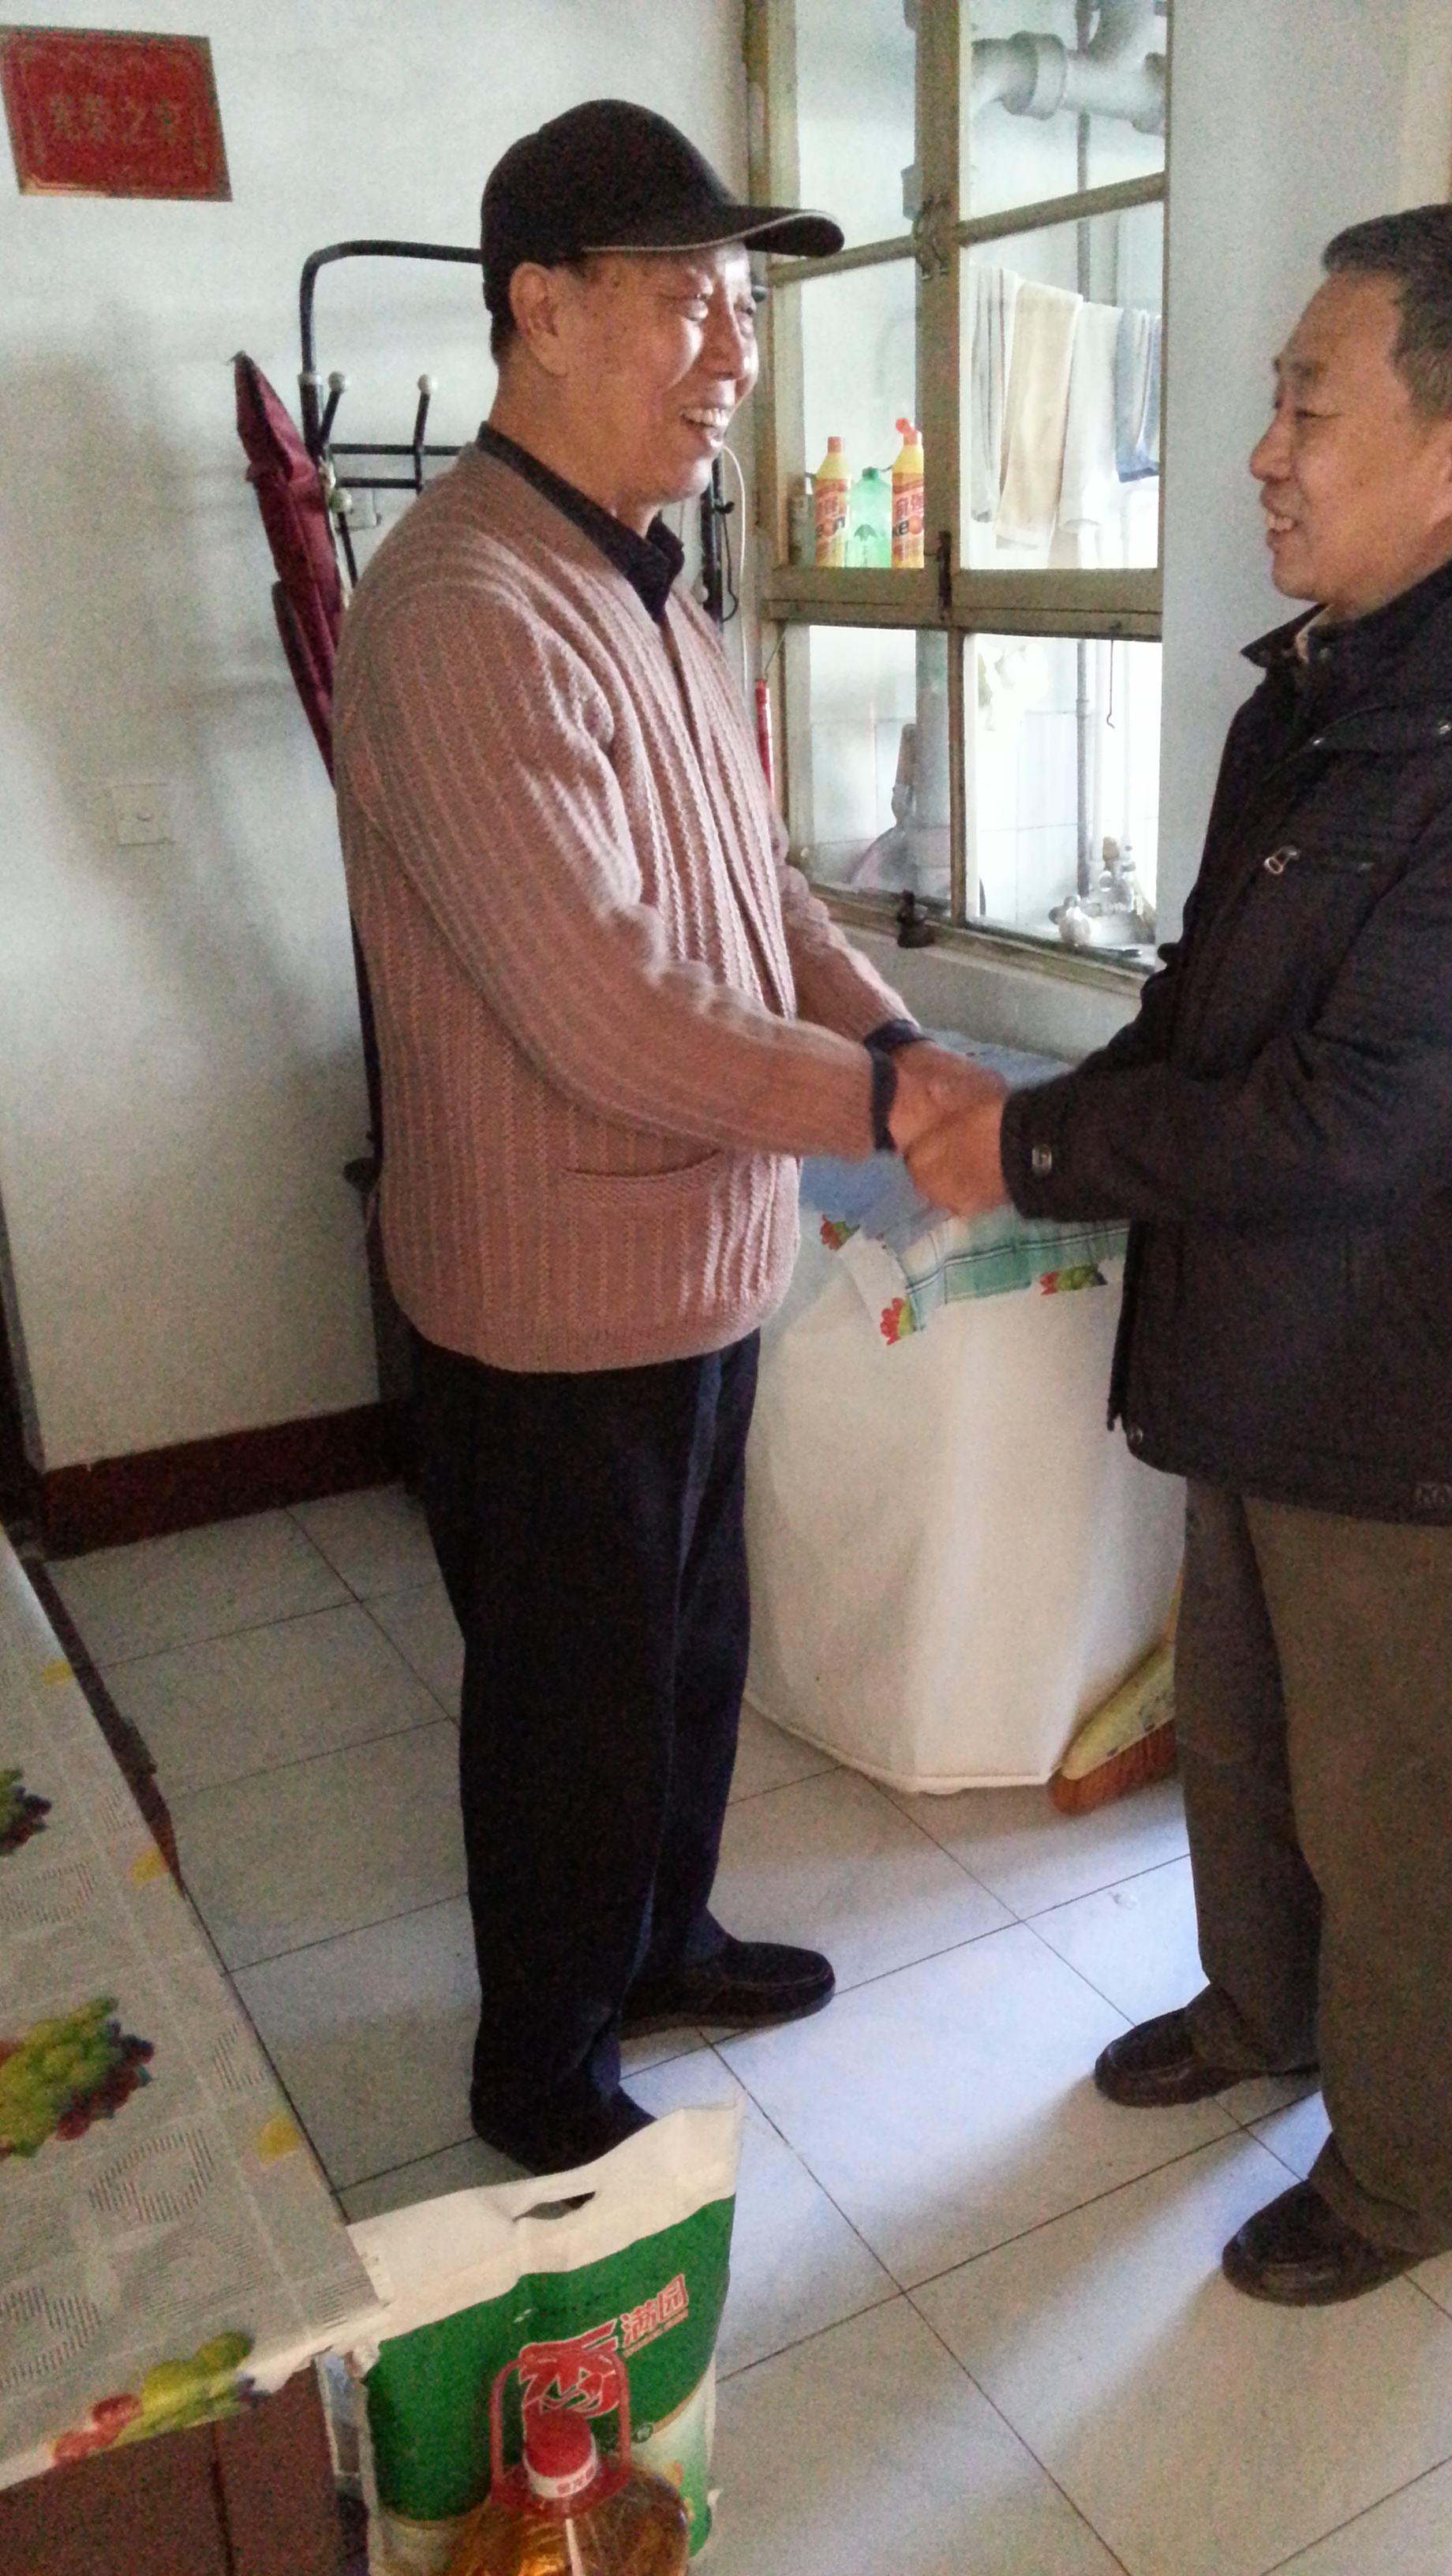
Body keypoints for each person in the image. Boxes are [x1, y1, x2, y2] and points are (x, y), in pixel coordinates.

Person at [909, 204, 1452, 2303]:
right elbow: (1205, 1015)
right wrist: (1045, 1118)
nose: (1263, 452)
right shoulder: (1325, 696)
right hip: (1265, 1340)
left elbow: (1364, 1121)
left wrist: (1037, 1148)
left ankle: (1418, 2169)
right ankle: (1265, 2015)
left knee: (1397, 1800)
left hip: (1420, 1390)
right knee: (1246, 1743)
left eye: (1305, 407)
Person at [334, 99, 990, 2175]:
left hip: (696, 1270)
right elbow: (608, 1011)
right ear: (540, 309)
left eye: (746, 310)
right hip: (550, 1311)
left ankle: (664, 1944)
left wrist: (900, 1043)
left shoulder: (654, 594)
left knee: (689, 1658)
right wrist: (897, 1111)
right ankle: (543, 2069)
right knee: (569, 1710)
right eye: (692, 301)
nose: (736, 354)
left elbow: (762, 901)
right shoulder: (465, 608)